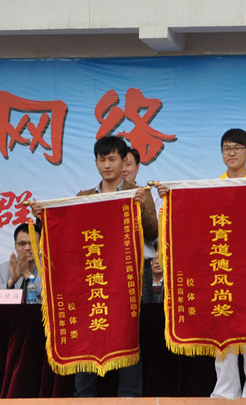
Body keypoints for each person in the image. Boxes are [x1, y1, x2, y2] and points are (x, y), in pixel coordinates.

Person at [158, 128, 246, 399]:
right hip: (222, 264)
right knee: (222, 326)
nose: (232, 153)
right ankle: (226, 390)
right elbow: (192, 215)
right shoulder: (214, 186)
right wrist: (170, 197)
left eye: (237, 148)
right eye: (227, 148)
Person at [31, 136, 157, 397]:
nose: (107, 165)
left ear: (124, 161)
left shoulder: (138, 193)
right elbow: (68, 232)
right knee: (87, 330)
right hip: (93, 273)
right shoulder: (84, 196)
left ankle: (130, 396)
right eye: (102, 160)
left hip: (127, 275)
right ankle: (84, 396)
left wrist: (142, 208)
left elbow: (153, 232)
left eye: (112, 159)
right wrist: (43, 219)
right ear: (96, 163)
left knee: (128, 332)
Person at [122, 147, 160, 303]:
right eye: (120, 164)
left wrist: (142, 208)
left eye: (128, 164)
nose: (123, 169)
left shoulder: (149, 196)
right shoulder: (101, 196)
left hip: (141, 267)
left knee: (143, 315)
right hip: (111, 266)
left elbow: (155, 235)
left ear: (137, 168)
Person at [0, 222, 43, 302]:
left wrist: (28, 276)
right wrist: (11, 282)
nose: (27, 248)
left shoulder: (49, 269)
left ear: (40, 246)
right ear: (15, 246)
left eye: (33, 243)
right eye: (22, 244)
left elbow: (51, 298)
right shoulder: (3, 269)